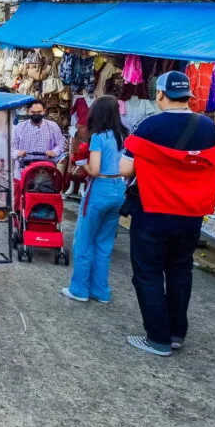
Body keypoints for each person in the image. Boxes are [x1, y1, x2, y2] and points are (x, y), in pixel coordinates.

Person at [120, 71, 215, 357]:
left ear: (161, 94)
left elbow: (126, 169)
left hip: (154, 210)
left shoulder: (149, 126)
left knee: (148, 273)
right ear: (189, 95)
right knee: (180, 270)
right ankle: (177, 333)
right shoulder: (209, 128)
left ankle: (158, 339)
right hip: (191, 213)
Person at [62, 96, 128, 304]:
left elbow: (96, 169)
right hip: (119, 189)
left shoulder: (99, 137)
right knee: (104, 242)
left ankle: (79, 289)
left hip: (99, 189)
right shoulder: (125, 136)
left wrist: (82, 164)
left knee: (84, 239)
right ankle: (101, 290)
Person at [11, 100, 65, 211]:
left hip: (45, 171)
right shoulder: (19, 128)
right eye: (33, 112)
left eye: (39, 111)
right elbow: (11, 148)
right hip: (23, 169)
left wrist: (54, 152)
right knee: (18, 199)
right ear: (28, 112)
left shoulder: (53, 126)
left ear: (44, 111)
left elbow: (60, 145)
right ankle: (17, 222)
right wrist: (18, 153)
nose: (36, 114)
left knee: (45, 199)